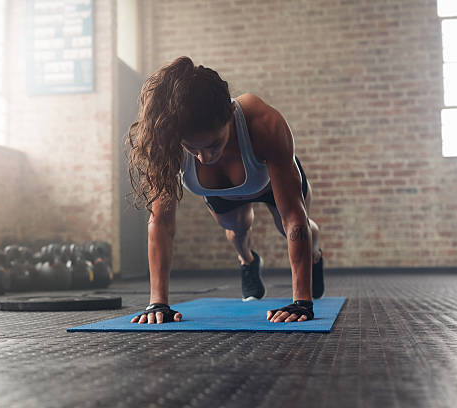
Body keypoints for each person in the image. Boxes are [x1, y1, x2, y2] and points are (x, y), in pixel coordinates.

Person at [126, 56, 324, 325]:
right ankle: (248, 262)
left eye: (213, 144)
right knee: (237, 230)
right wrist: (157, 303)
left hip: (270, 181)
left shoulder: (264, 123)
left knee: (294, 229)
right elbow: (161, 221)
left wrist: (302, 302)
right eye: (192, 149)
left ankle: (315, 254)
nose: (204, 158)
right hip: (222, 192)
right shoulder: (168, 142)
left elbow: (292, 217)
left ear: (231, 113)